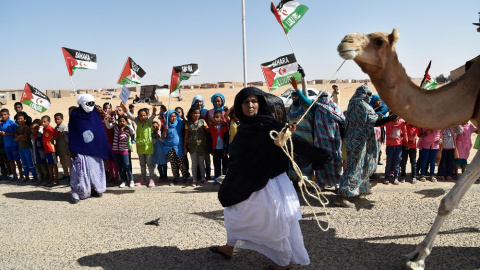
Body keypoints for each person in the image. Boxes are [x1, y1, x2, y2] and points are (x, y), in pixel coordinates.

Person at [210, 87, 330, 269]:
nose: (250, 105)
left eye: (254, 101)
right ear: (239, 106)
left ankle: (282, 262)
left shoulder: (271, 125)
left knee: (271, 222)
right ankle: (229, 247)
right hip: (244, 181)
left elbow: (289, 143)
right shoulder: (245, 127)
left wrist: (284, 138)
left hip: (267, 184)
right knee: (235, 214)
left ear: (260, 103)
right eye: (246, 102)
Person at [335, 85, 396, 208]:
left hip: (351, 140)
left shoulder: (352, 104)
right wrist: (390, 118)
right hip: (359, 142)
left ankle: (358, 190)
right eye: (369, 95)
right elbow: (375, 122)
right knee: (355, 167)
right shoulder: (363, 106)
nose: (370, 98)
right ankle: (343, 196)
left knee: (358, 166)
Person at [69, 94, 114, 203]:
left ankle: (96, 188)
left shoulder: (95, 114)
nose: (91, 105)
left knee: (95, 169)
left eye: (93, 103)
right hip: (80, 148)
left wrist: (101, 145)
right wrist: (72, 148)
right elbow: (73, 132)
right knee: (79, 171)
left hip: (94, 148)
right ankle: (77, 192)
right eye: (89, 103)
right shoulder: (75, 114)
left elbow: (99, 130)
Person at [313, 87, 345, 190]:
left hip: (333, 140)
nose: (323, 98)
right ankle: (321, 183)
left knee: (335, 160)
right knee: (321, 161)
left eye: (325, 96)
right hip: (321, 141)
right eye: (321, 96)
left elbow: (342, 118)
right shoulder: (316, 108)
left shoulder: (334, 106)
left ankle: (337, 182)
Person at [286, 77, 315, 184]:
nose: (294, 98)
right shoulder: (289, 110)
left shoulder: (306, 107)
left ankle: (307, 182)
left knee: (306, 162)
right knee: (294, 161)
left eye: (296, 96)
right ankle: (295, 181)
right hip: (293, 142)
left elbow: (305, 95)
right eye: (293, 96)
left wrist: (303, 78)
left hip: (306, 141)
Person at [123, 102, 157, 187]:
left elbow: (153, 116)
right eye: (141, 116)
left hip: (149, 148)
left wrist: (154, 111)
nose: (143, 117)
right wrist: (125, 109)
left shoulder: (149, 122)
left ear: (147, 116)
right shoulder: (137, 122)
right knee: (142, 164)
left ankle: (151, 179)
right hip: (140, 147)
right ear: (138, 116)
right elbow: (131, 116)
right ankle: (143, 179)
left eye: (144, 115)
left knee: (149, 164)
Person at [104, 114, 135, 188]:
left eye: (123, 121)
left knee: (127, 166)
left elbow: (122, 138)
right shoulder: (116, 127)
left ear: (126, 122)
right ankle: (123, 180)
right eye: (120, 121)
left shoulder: (127, 129)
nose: (122, 123)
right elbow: (112, 120)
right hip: (115, 150)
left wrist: (122, 131)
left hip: (124, 150)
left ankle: (131, 180)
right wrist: (110, 115)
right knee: (120, 166)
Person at [161, 110, 188, 186]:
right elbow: (163, 137)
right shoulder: (165, 125)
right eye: (171, 116)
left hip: (179, 147)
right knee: (173, 164)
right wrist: (165, 130)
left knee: (181, 163)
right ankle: (175, 177)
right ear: (168, 117)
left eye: (174, 116)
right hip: (170, 148)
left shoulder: (180, 123)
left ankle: (185, 177)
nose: (173, 118)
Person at [184, 106, 208, 186]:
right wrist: (185, 147)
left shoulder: (202, 122)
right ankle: (194, 179)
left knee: (201, 163)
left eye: (198, 113)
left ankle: (203, 178)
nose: (197, 115)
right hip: (192, 146)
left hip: (201, 146)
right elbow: (186, 136)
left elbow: (207, 130)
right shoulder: (188, 124)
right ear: (191, 114)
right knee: (194, 163)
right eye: (195, 113)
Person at [381, 115, 408, 185]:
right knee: (389, 162)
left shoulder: (401, 123)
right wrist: (380, 119)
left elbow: (405, 133)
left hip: (398, 146)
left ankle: (396, 178)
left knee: (397, 163)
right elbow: (379, 125)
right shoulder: (387, 122)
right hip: (389, 146)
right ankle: (387, 177)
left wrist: (406, 143)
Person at [14, 112, 38, 182]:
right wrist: (20, 137)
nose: (19, 120)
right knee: (24, 163)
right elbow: (15, 139)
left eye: (21, 119)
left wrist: (19, 137)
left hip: (27, 147)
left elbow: (25, 138)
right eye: (18, 119)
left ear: (24, 120)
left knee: (30, 162)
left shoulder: (27, 128)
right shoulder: (17, 128)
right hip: (20, 148)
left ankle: (35, 176)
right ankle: (26, 176)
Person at [0, 108, 23, 181]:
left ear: (8, 115)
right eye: (2, 115)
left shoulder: (12, 123)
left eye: (5, 114)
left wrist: (6, 134)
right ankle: (14, 176)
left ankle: (21, 176)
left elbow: (17, 134)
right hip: (6, 146)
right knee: (10, 161)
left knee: (17, 160)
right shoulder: (1, 124)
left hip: (14, 145)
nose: (3, 116)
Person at [209, 111, 229, 181]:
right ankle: (217, 178)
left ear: (221, 117)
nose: (216, 119)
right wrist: (211, 150)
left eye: (217, 117)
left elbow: (227, 139)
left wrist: (226, 150)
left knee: (225, 165)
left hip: (223, 149)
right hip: (215, 149)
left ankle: (225, 178)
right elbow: (210, 139)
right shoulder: (211, 127)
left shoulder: (225, 126)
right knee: (216, 164)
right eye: (214, 117)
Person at [53, 113, 72, 182]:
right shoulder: (56, 128)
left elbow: (66, 136)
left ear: (62, 119)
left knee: (68, 162)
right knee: (62, 162)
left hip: (65, 147)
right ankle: (66, 174)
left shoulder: (64, 127)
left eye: (58, 119)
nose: (57, 120)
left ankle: (71, 175)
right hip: (59, 148)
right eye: (55, 119)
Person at [41, 115, 59, 186]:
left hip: (51, 150)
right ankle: (51, 178)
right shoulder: (44, 129)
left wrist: (53, 139)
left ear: (48, 122)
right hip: (46, 150)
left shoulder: (50, 129)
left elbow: (59, 133)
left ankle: (56, 179)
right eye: (42, 122)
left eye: (44, 122)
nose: (43, 123)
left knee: (54, 164)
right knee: (49, 165)